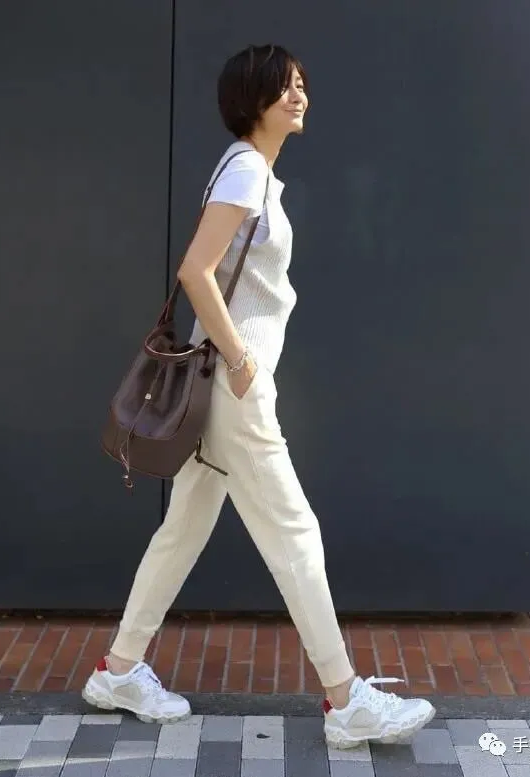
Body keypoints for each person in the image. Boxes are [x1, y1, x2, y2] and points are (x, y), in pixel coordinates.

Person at [82, 43, 435, 749]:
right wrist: (242, 361)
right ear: (253, 99)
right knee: (294, 532)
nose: (299, 95)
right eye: (284, 86)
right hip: (234, 387)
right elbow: (196, 270)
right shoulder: (245, 168)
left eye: (301, 84)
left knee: (182, 530)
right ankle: (345, 700)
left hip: (224, 386)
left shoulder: (252, 171)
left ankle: (117, 669)